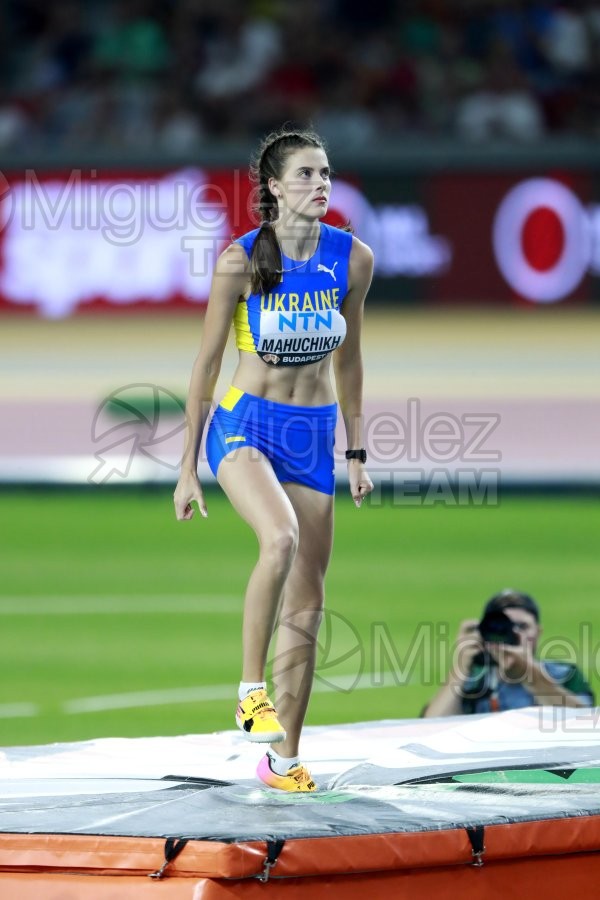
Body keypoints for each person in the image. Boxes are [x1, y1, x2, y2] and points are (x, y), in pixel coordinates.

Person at [173, 127, 374, 792]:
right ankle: (249, 690)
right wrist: (184, 468)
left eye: (327, 173)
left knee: (310, 602)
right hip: (245, 426)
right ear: (276, 187)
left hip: (313, 435)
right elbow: (204, 364)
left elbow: (350, 359)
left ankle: (283, 760)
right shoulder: (240, 260)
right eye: (309, 174)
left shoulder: (354, 259)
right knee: (280, 537)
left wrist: (356, 448)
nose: (322, 184)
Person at [423, 589, 594, 717]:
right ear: (484, 633)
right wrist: (461, 667)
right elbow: (430, 729)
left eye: (522, 626)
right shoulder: (473, 680)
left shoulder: (563, 674)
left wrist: (532, 676)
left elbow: (583, 723)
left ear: (538, 632)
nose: (514, 634)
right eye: (503, 627)